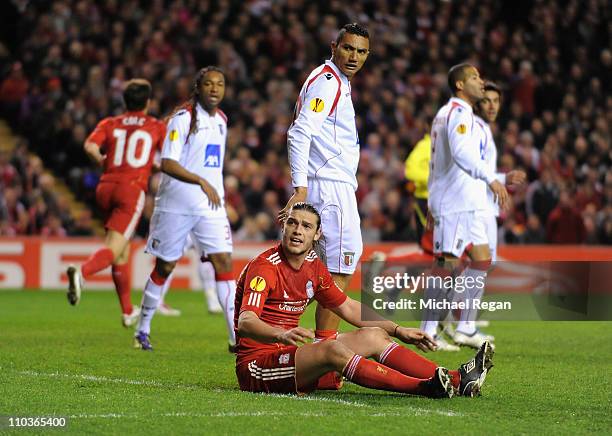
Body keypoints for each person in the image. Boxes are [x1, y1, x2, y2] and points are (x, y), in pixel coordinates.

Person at [236, 202, 493, 398]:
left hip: (293, 355)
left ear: (317, 235)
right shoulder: (265, 267)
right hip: (258, 366)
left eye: (306, 226)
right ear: (283, 227)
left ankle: (459, 380)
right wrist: (280, 334)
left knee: (373, 335)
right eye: (292, 223)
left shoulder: (313, 265)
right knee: (331, 347)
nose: (297, 231)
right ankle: (426, 388)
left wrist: (397, 329)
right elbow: (246, 321)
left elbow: (347, 306)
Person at [278, 23, 370, 377]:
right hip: (328, 186)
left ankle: (290, 345)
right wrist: (300, 185)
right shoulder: (328, 81)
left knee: (308, 269)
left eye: (361, 51)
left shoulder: (335, 82)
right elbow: (300, 131)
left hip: (329, 183)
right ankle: (325, 356)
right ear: (335, 46)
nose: (354, 57)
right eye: (348, 48)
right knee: (340, 269)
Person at [133, 66, 236, 351]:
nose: (215, 88)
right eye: (209, 84)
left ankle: (235, 338)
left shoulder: (222, 121)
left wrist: (216, 190)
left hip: (211, 206)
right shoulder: (183, 118)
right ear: (198, 88)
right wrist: (200, 180)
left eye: (220, 84)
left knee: (224, 264)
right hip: (175, 205)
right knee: (165, 266)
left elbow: (211, 164)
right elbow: (167, 162)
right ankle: (142, 329)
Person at [66, 79, 166, 328]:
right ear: (148, 102)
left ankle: (127, 311)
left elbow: (89, 146)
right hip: (131, 189)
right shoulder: (155, 126)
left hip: (105, 186)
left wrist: (102, 162)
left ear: (124, 101)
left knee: (120, 248)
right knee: (114, 247)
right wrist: (152, 167)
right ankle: (83, 272)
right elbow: (167, 158)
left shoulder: (110, 123)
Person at [423, 64, 509, 350]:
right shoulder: (457, 113)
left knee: (482, 258)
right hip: (453, 201)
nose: (480, 81)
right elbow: (460, 154)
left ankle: (465, 327)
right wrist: (491, 179)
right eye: (474, 77)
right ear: (460, 85)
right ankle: (428, 331)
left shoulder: (460, 114)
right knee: (445, 264)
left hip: (465, 200)